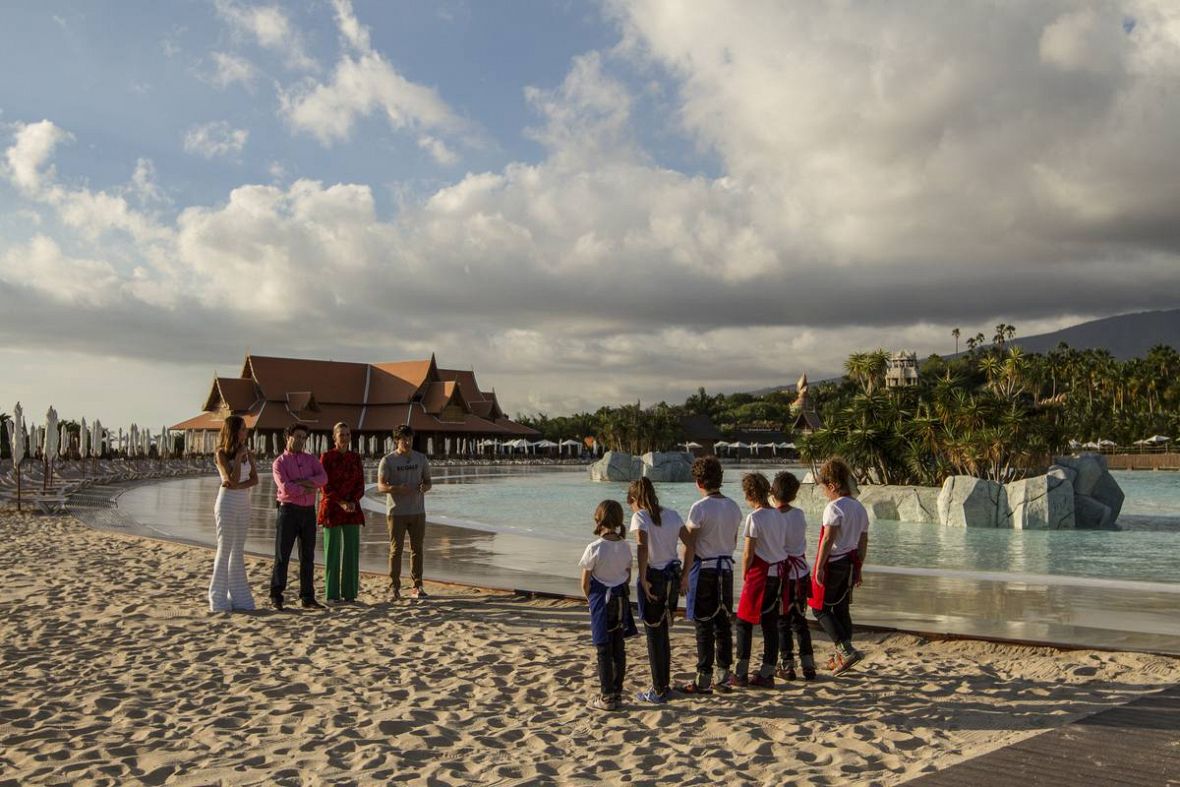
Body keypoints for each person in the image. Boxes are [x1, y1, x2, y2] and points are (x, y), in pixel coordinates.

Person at [678, 456, 742, 695]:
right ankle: (723, 676)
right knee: (723, 624)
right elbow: (733, 541)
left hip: (704, 568)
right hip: (726, 569)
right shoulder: (734, 506)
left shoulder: (699, 507)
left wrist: (684, 574)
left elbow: (690, 545)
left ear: (698, 482)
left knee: (703, 625)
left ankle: (703, 678)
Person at [627, 477, 690, 704]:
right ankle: (664, 685)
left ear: (634, 499)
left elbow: (642, 547)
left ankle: (658, 689)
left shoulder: (640, 516)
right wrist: (685, 575)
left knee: (653, 634)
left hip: (654, 576)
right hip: (672, 576)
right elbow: (691, 543)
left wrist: (643, 578)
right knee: (663, 632)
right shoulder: (672, 514)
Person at [808, 458, 870, 674]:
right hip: (850, 563)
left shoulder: (833, 508)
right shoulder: (859, 508)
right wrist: (859, 567)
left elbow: (828, 539)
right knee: (842, 609)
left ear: (832, 485)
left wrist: (819, 567)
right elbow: (863, 541)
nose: (824, 492)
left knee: (819, 609)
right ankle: (841, 656)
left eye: (824, 488)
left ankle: (845, 649)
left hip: (833, 563)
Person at [580, 499, 637, 712]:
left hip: (601, 600)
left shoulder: (594, 547)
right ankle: (617, 692)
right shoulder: (625, 546)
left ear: (598, 519)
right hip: (620, 598)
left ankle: (606, 696)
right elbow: (627, 575)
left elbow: (585, 582)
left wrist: (590, 600)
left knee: (603, 649)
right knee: (618, 647)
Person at [733, 472, 788, 688]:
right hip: (778, 572)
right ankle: (767, 672)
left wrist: (744, 573)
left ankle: (741, 672)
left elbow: (748, 552)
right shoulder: (779, 515)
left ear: (749, 494)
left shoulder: (754, 518)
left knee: (743, 622)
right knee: (770, 624)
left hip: (760, 573)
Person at [270, 423, 328, 611]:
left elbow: (323, 478)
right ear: (288, 436)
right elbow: (285, 487)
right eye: (298, 437)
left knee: (308, 556)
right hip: (288, 511)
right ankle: (276, 596)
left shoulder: (311, 459)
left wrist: (303, 482)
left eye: (304, 438)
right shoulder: (279, 463)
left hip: (308, 511)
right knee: (282, 555)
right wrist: (307, 488)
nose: (301, 441)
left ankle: (307, 597)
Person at [377, 424, 432, 600]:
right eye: (403, 439)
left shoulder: (421, 458)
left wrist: (425, 487)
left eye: (409, 439)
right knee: (396, 550)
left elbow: (428, 482)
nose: (407, 442)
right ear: (396, 441)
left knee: (417, 549)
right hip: (396, 512)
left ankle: (417, 585)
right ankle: (394, 587)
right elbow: (381, 486)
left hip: (417, 511)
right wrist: (396, 489)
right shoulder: (388, 460)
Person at [208, 415, 257, 613]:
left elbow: (254, 479)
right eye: (243, 429)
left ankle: (239, 597)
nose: (246, 432)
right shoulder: (221, 453)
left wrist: (239, 486)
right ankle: (218, 599)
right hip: (226, 503)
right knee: (224, 548)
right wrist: (237, 458)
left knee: (238, 550)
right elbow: (231, 478)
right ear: (234, 431)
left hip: (243, 502)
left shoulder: (248, 452)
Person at [773, 470, 816, 681]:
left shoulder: (774, 516)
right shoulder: (799, 514)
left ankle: (787, 664)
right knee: (800, 620)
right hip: (800, 572)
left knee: (782, 620)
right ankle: (808, 664)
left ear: (773, 493)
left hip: (783, 574)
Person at [318, 422, 366, 604]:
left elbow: (360, 483)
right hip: (332, 508)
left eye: (347, 434)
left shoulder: (355, 457)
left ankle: (350, 593)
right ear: (334, 437)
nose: (345, 438)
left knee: (351, 551)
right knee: (332, 551)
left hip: (352, 508)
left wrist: (352, 501)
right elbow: (324, 485)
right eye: (341, 435)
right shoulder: (326, 457)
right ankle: (332, 594)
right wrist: (341, 502)